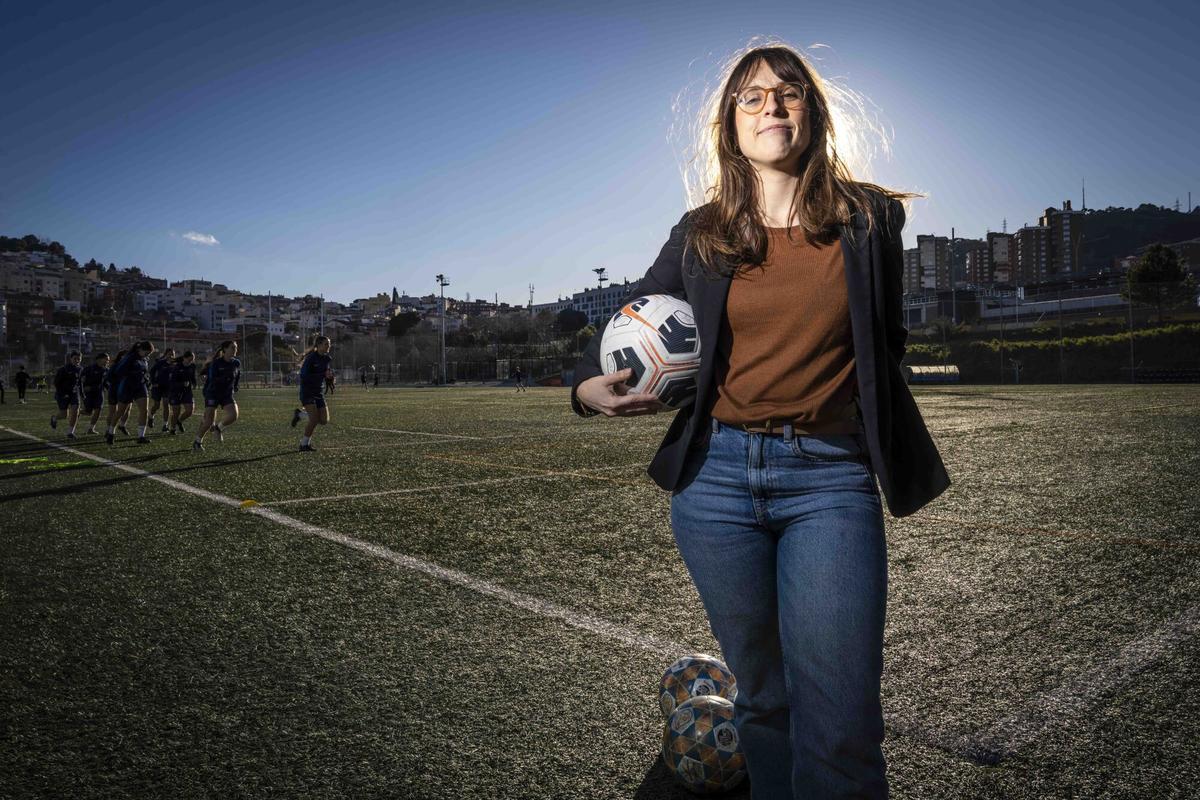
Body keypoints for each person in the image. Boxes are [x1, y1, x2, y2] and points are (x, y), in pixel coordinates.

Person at [571, 43, 950, 800]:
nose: (772, 106)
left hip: (829, 481)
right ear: (730, 126)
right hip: (713, 486)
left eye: (788, 92)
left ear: (812, 109)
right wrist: (586, 388)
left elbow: (888, 339)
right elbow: (630, 319)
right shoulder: (701, 231)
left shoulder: (871, 217)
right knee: (765, 698)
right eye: (752, 97)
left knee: (841, 719)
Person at [194, 340, 241, 451]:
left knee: (233, 415)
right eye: (232, 347)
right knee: (208, 422)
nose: (235, 350)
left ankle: (218, 429)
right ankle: (197, 442)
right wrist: (224, 378)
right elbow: (212, 379)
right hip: (213, 393)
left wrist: (236, 385)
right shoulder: (216, 363)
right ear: (224, 349)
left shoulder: (236, 363)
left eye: (236, 347)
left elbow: (238, 374)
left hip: (227, 394)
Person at [290, 335, 333, 452]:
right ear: (318, 345)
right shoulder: (311, 358)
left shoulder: (327, 359)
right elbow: (304, 375)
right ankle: (304, 444)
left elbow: (326, 373)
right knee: (314, 420)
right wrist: (322, 375)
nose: (328, 346)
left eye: (329, 344)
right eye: (326, 344)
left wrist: (329, 378)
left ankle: (300, 415)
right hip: (307, 391)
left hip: (319, 392)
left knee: (324, 420)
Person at [108, 340, 157, 445]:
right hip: (127, 387)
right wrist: (130, 376)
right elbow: (118, 371)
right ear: (140, 349)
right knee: (121, 411)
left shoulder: (144, 359)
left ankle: (141, 436)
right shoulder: (129, 358)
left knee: (144, 410)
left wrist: (146, 380)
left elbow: (144, 372)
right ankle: (111, 432)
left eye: (149, 353)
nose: (148, 355)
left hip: (140, 386)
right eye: (147, 352)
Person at [51, 352, 83, 440]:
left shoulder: (80, 369)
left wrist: (82, 394)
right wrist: (62, 393)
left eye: (79, 359)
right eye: (75, 358)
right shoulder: (64, 369)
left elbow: (80, 382)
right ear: (71, 359)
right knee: (64, 415)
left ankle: (70, 432)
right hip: (63, 394)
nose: (77, 361)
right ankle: (54, 418)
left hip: (74, 393)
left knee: (76, 410)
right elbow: (56, 383)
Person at [103, 348, 133, 438]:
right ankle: (108, 430)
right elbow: (108, 377)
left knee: (127, 409)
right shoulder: (115, 365)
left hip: (126, 390)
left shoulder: (130, 366)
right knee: (113, 412)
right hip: (115, 390)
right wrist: (116, 384)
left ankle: (122, 425)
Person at [167, 351, 197, 435]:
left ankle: (179, 421)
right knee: (176, 412)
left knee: (190, 411)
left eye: (192, 360)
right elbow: (172, 382)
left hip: (187, 391)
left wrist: (194, 383)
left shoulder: (192, 366)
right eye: (189, 359)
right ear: (184, 358)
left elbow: (193, 376)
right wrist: (182, 384)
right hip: (175, 391)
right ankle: (172, 429)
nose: (190, 361)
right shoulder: (176, 367)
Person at [79, 353, 110, 434]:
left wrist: (109, 389)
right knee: (88, 412)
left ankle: (91, 429)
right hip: (89, 393)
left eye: (108, 360)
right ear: (99, 359)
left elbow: (106, 382)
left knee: (98, 410)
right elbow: (81, 380)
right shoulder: (89, 368)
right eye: (106, 359)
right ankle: (76, 412)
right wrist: (84, 387)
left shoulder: (106, 370)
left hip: (99, 393)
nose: (107, 361)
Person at [147, 347, 176, 432]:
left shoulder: (175, 365)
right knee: (156, 405)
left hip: (168, 388)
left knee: (166, 405)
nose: (171, 356)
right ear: (166, 354)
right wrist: (153, 382)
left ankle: (165, 425)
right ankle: (151, 416)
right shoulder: (160, 363)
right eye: (169, 354)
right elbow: (152, 372)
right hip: (158, 387)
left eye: (172, 354)